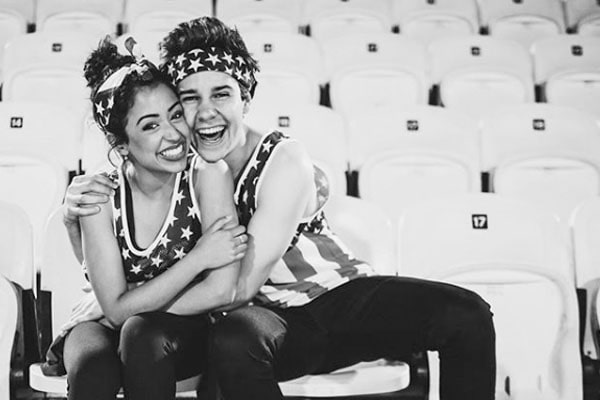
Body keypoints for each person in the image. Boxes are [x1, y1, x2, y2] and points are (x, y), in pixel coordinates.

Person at [64, 17, 496, 400]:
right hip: (267, 323)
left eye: (221, 94)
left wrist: (124, 308)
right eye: (190, 99)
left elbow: (236, 288)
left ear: (246, 98)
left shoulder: (283, 159)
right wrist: (73, 221)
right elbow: (134, 249)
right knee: (233, 340)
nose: (205, 113)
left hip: (332, 300)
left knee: (466, 314)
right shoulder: (179, 164)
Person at [46, 37, 248, 400]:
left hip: (178, 329)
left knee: (140, 333)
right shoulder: (100, 195)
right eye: (150, 126)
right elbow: (113, 311)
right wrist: (198, 259)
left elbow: (221, 290)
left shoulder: (208, 175)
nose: (173, 134)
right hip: (100, 321)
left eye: (175, 115)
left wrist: (132, 301)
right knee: (92, 366)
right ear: (122, 144)